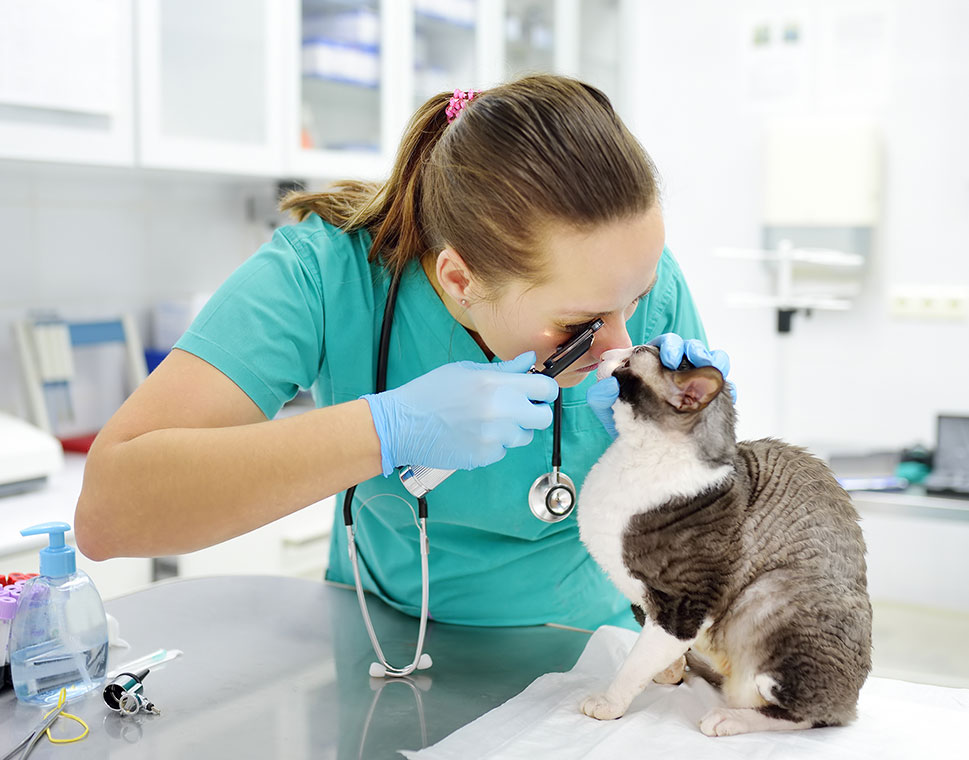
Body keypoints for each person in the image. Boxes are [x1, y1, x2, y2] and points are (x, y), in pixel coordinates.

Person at [74, 75, 730, 630]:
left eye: (636, 299)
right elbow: (110, 515)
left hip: (593, 663)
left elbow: (704, 528)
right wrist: (386, 428)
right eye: (581, 322)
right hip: (384, 653)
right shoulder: (323, 273)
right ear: (457, 279)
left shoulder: (626, 275)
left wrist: (693, 440)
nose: (620, 344)